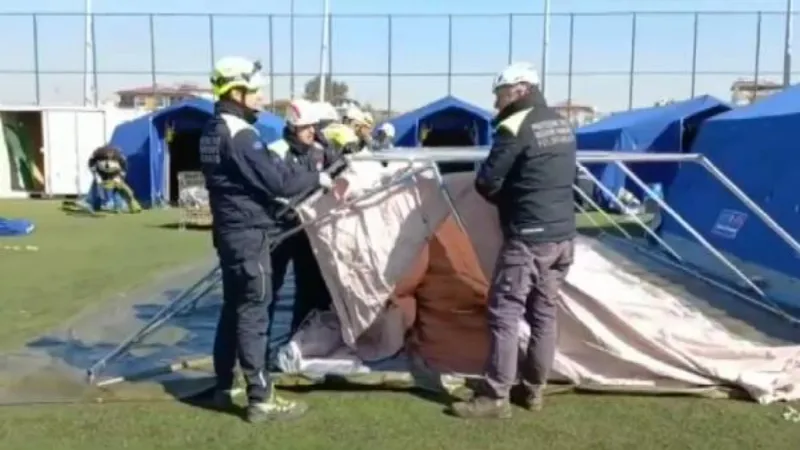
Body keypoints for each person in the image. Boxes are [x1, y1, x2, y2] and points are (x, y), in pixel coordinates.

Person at [200, 56, 334, 423]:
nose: (260, 97)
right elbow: (279, 183)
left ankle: (224, 385)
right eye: (255, 91)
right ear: (237, 91)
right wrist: (316, 179)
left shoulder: (212, 129)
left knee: (234, 308)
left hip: (229, 233)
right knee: (254, 312)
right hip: (249, 234)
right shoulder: (241, 135)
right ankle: (261, 398)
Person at [448, 62, 577, 419]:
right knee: (544, 314)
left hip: (529, 237)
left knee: (505, 312)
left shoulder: (515, 124)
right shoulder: (560, 121)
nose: (496, 100)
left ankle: (495, 396)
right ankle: (533, 390)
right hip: (563, 235)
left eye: (500, 93)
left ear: (519, 89)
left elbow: (487, 181)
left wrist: (509, 202)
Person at [266, 98, 341, 334]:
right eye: (306, 127)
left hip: (309, 229)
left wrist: (328, 147)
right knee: (269, 291)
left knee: (311, 287)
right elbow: (278, 186)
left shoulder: (319, 151)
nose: (312, 131)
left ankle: (301, 340)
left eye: (314, 126)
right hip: (279, 229)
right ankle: (259, 354)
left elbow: (339, 166)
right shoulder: (276, 151)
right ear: (292, 127)